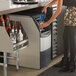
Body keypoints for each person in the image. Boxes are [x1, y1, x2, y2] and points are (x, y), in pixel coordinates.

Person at [54, 0, 76, 72]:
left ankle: (72, 63)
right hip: (70, 11)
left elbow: (58, 10)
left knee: (71, 39)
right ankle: (65, 59)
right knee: (66, 37)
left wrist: (47, 23)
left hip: (73, 13)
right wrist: (47, 5)